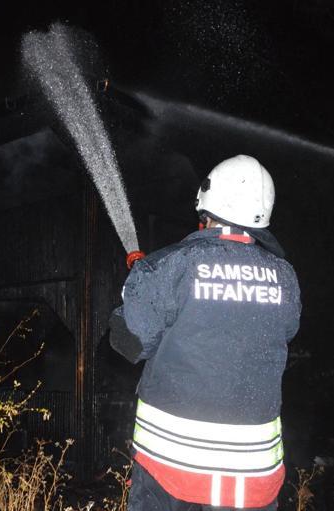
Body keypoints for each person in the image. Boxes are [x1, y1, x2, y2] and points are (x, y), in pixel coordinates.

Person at [109, 155, 301, 510]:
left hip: (172, 474)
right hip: (254, 482)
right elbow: (272, 328)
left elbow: (127, 342)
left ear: (206, 205)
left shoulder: (172, 266)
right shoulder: (285, 278)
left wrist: (137, 288)